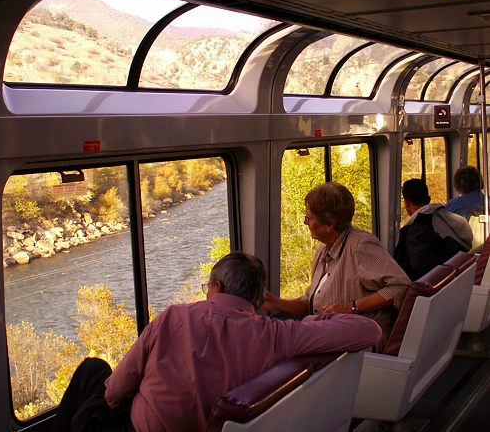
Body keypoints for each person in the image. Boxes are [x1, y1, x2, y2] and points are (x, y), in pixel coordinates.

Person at [53, 251, 381, 432]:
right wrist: (312, 320)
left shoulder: (172, 317)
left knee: (93, 370)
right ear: (258, 298)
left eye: (208, 286)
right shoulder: (279, 335)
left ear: (218, 287)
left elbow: (116, 390)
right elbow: (368, 331)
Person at [262, 182, 410, 354]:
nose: (304, 222)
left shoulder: (360, 246)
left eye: (309, 218)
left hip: (362, 348)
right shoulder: (323, 251)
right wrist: (276, 302)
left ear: (329, 225)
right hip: (332, 339)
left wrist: (352, 306)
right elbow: (313, 306)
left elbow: (400, 286)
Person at [394, 178, 473, 281]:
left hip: (435, 289)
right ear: (428, 199)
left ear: (406, 203)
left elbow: (423, 272)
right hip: (460, 280)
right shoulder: (451, 221)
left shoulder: (416, 230)